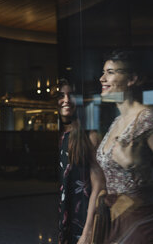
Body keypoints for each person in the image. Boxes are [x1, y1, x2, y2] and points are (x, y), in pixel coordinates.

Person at [94, 49, 153, 243]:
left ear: (132, 79)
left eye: (111, 72)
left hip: (138, 223)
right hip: (115, 218)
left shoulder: (145, 119)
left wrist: (133, 164)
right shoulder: (117, 121)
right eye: (103, 72)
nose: (102, 78)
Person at [56, 79, 105, 244]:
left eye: (71, 95)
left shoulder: (89, 135)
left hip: (83, 218)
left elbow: (99, 185)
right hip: (65, 217)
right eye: (61, 95)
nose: (66, 100)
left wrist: (87, 231)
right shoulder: (61, 135)